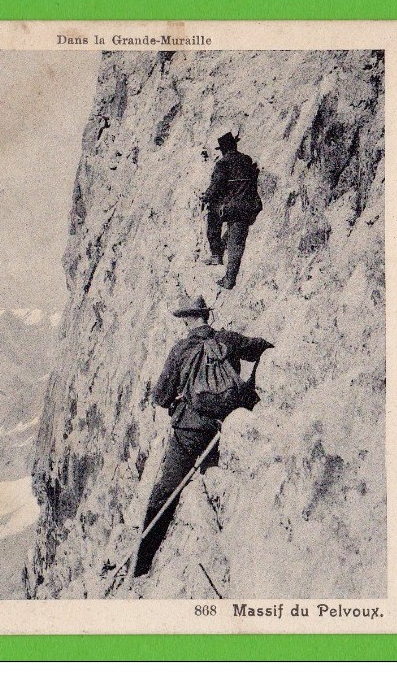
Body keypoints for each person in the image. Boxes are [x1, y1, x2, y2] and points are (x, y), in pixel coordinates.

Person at [133, 295, 273, 576]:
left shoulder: (181, 349)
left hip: (190, 430)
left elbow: (161, 397)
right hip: (223, 427)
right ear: (206, 317)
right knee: (215, 479)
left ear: (187, 319)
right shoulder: (228, 339)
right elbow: (262, 347)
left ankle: (142, 563)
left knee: (165, 491)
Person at [201, 132, 263, 289]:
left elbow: (216, 186)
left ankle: (220, 261)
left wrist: (206, 196)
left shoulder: (223, 164)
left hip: (235, 209)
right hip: (251, 206)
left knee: (215, 217)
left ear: (223, 150)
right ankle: (221, 249)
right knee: (236, 238)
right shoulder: (246, 160)